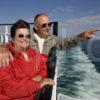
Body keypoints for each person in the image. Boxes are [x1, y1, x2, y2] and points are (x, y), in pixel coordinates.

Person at [0, 13, 100, 100]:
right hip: (26, 83)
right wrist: (2, 48)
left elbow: (67, 43)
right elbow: (14, 43)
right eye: (44, 25)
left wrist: (80, 37)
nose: (48, 27)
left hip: (38, 78)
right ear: (36, 27)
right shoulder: (27, 36)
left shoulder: (52, 39)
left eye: (49, 24)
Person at [0, 19, 54, 100]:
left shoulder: (33, 53)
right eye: (21, 36)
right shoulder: (4, 57)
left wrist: (39, 76)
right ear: (13, 39)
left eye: (28, 36)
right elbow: (8, 88)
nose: (25, 38)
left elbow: (43, 66)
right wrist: (38, 83)